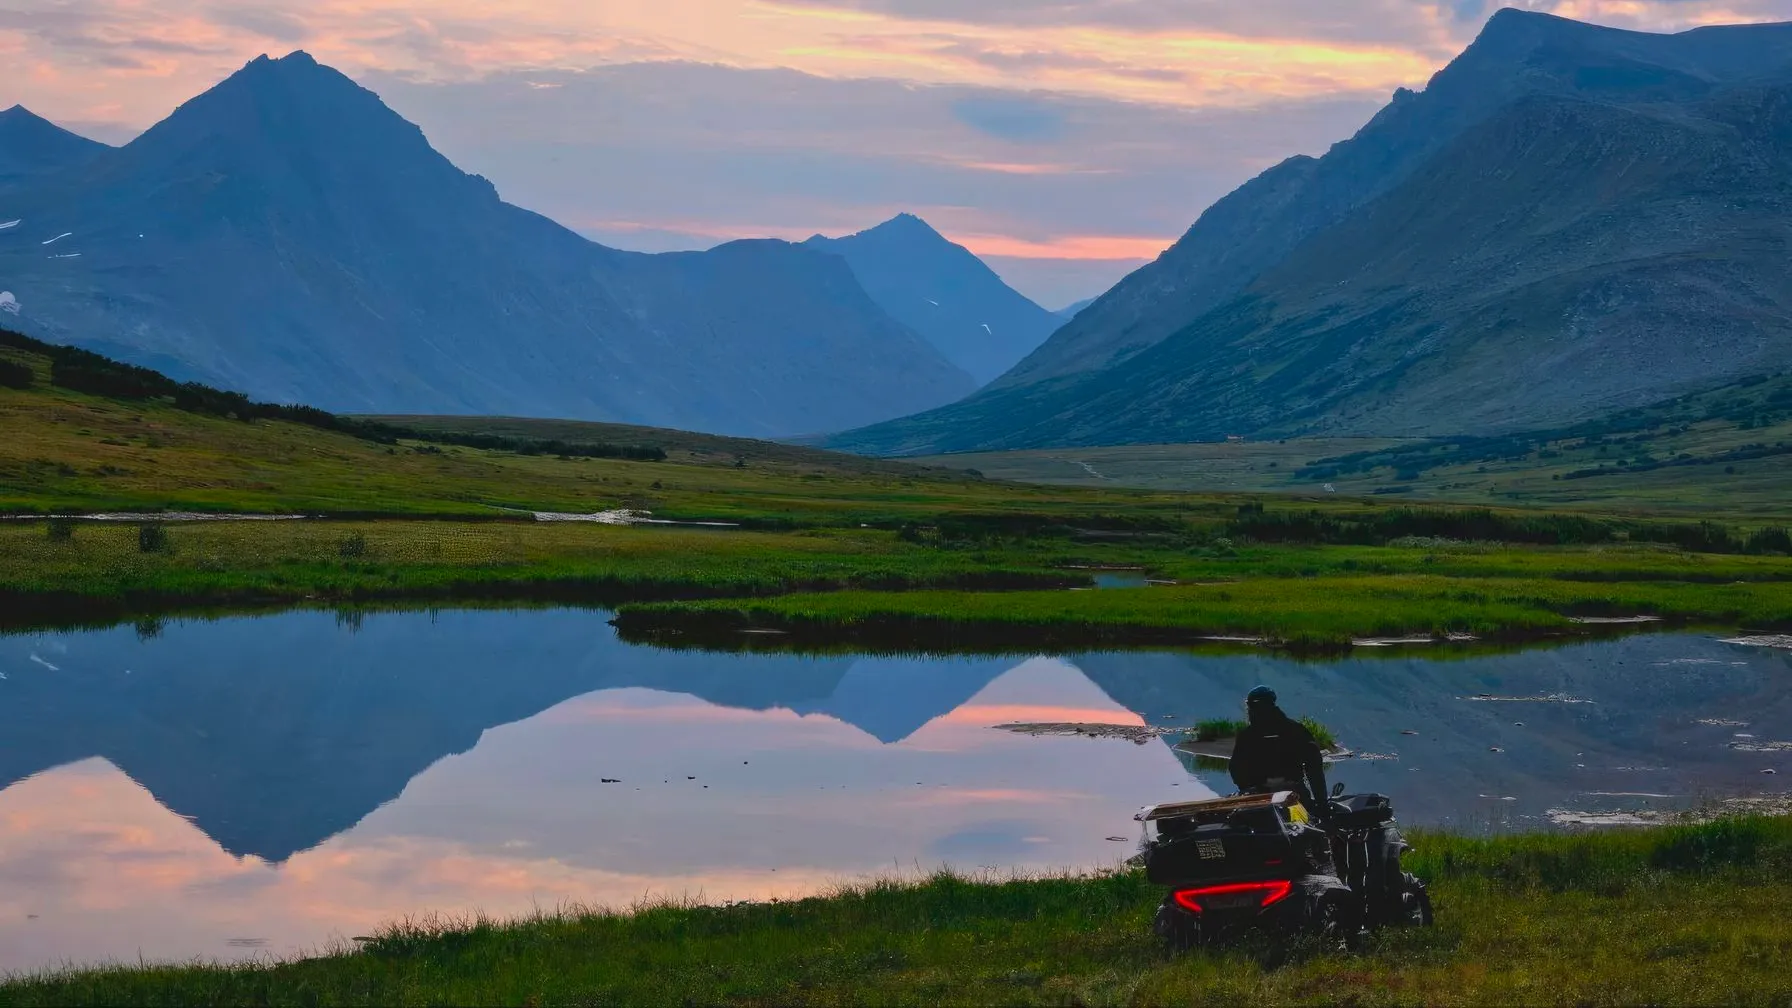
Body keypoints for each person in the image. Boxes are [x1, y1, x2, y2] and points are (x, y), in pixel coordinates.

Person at [1229, 685, 1330, 817]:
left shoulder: (1247, 735)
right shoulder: (1296, 729)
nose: (1249, 711)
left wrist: (1247, 789)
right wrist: (1321, 802)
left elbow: (1235, 769)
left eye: (1250, 707)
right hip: (1293, 795)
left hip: (1261, 798)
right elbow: (1314, 768)